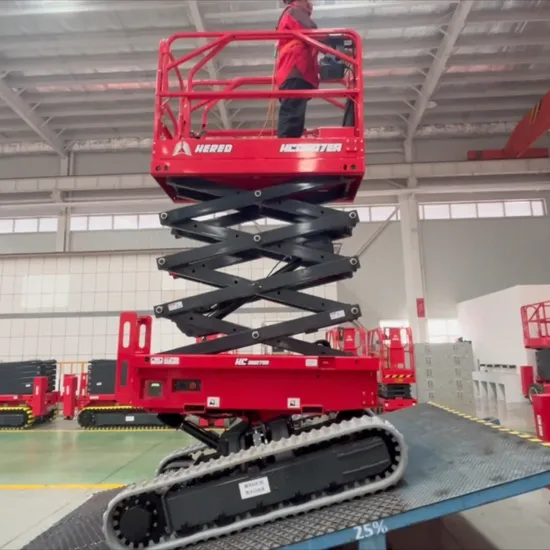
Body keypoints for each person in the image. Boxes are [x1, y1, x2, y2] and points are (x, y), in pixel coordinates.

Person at [275, 0, 319, 138]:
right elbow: (313, 31)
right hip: (295, 69)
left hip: (294, 71)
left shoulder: (293, 12)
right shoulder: (295, 11)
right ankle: (285, 148)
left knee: (294, 116)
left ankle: (287, 146)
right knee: (292, 117)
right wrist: (337, 40)